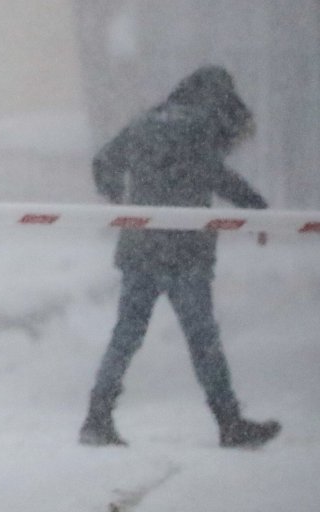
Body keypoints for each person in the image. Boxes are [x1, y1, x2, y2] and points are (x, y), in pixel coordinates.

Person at [79, 65, 281, 449]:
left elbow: (104, 161)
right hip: (186, 253)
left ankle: (96, 417)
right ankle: (229, 423)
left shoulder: (143, 123)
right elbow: (217, 178)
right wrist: (255, 207)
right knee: (203, 340)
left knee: (125, 336)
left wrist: (120, 200)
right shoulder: (199, 128)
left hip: (140, 249)